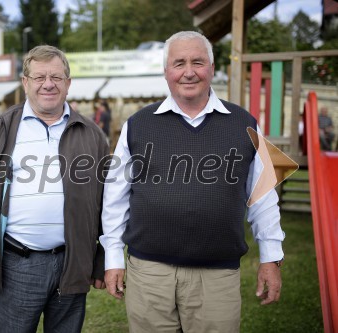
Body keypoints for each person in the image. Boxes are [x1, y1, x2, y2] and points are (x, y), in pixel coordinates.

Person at [100, 31, 285, 332]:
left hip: (217, 276)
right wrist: (112, 258)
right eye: (179, 63)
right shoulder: (137, 125)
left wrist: (271, 257)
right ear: (166, 72)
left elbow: (263, 198)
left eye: (198, 62)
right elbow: (115, 198)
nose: (188, 72)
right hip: (149, 274)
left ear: (212, 69)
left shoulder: (245, 124)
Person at [0, 45, 109, 333]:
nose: (48, 84)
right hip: (17, 266)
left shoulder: (91, 135)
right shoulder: (0, 129)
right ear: (25, 83)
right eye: (39, 77)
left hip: (72, 263)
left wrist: (101, 260)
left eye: (56, 76)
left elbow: (105, 205)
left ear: (68, 83)